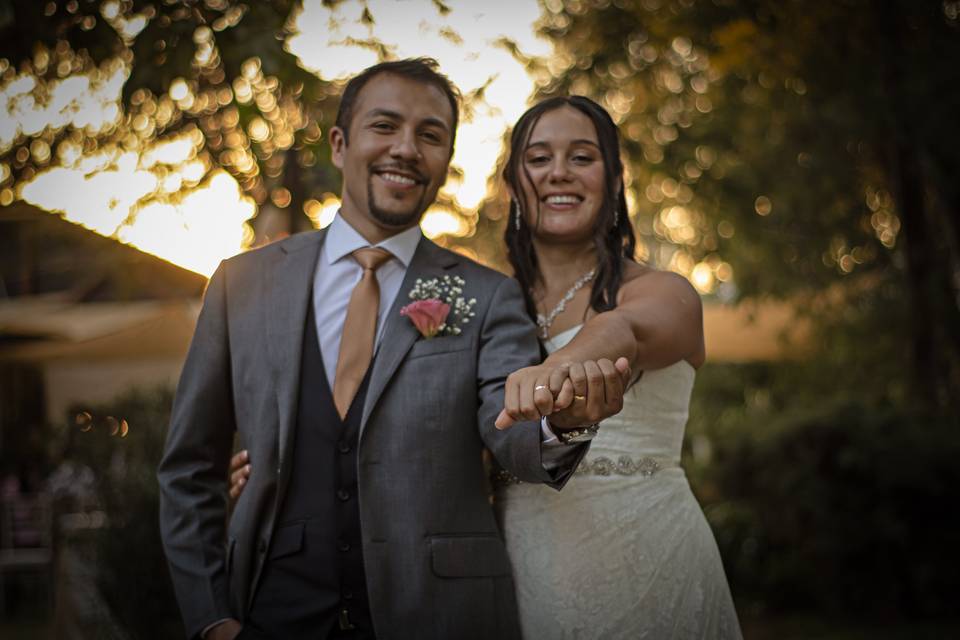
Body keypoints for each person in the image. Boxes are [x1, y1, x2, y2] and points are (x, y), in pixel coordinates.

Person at [158, 59, 628, 640]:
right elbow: (189, 468)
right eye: (385, 126)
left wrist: (567, 425)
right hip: (271, 614)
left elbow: (514, 438)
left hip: (440, 616)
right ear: (339, 143)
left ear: (445, 161)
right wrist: (210, 620)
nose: (406, 149)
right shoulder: (240, 283)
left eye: (430, 135)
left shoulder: (488, 295)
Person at [492, 95, 743, 638]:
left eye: (582, 157)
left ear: (613, 178)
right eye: (539, 159)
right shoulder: (488, 306)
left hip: (647, 555)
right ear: (513, 183)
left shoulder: (665, 291)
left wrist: (557, 366)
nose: (560, 171)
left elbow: (620, 330)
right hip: (517, 568)